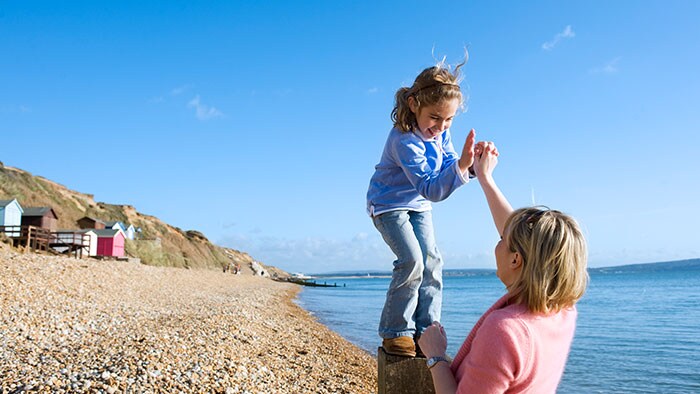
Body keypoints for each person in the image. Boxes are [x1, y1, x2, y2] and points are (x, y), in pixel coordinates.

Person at [418, 142, 589, 393]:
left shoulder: (505, 331)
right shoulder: (562, 313)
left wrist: (436, 357)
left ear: (516, 259)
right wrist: (485, 179)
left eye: (501, 240)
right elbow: (521, 238)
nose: (497, 244)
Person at [366, 59, 479, 357]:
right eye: (435, 118)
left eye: (449, 120)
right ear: (414, 104)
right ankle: (396, 332)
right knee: (412, 260)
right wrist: (462, 167)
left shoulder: (441, 134)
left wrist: (472, 164)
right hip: (388, 204)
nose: (440, 127)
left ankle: (427, 331)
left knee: (432, 262)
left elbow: (449, 165)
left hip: (418, 205)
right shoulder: (404, 140)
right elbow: (431, 187)